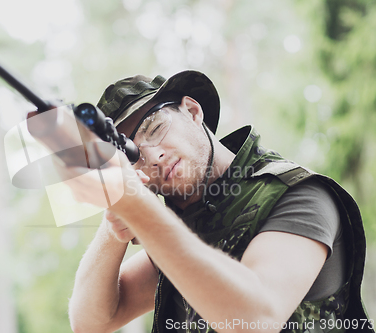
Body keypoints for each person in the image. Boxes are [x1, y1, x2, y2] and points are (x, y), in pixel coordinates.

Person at [64, 70, 373, 333]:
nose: (153, 156)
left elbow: (255, 319)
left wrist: (137, 210)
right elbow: (92, 321)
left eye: (156, 128)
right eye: (134, 155)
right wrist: (117, 212)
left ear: (193, 111)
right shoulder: (185, 224)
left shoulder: (298, 194)